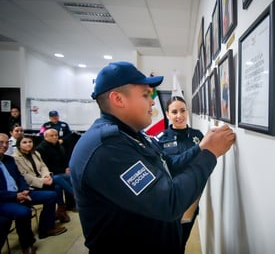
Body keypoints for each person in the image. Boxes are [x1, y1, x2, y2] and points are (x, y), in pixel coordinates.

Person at [69, 61, 235, 253]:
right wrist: (210, 154)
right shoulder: (106, 148)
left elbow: (167, 164)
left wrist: (201, 148)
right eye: (146, 94)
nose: (152, 102)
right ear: (118, 99)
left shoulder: (131, 135)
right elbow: (169, 201)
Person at [0, 133, 67, 254]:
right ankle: (27, 244)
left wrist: (24, 189)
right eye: (1, 143)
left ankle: (46, 229)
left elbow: (20, 177)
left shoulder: (9, 160)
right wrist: (16, 195)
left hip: (23, 191)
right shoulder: (15, 157)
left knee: (52, 194)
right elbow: (26, 175)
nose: (4, 145)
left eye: (6, 143)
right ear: (18, 145)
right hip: (6, 198)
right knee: (24, 212)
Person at [155, 96, 204, 253]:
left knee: (182, 240)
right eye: (174, 112)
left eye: (182, 110)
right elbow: (169, 165)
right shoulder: (160, 140)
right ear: (168, 114)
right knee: (169, 242)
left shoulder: (198, 136)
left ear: (187, 111)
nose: (179, 116)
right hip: (171, 198)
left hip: (192, 198)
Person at [13, 135, 71, 222]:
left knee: (57, 187)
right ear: (19, 145)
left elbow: (43, 166)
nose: (28, 144)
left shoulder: (35, 153)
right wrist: (42, 181)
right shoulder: (15, 158)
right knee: (59, 178)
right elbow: (24, 176)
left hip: (43, 179)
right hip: (31, 185)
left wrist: (46, 176)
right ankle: (75, 195)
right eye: (24, 142)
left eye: (30, 142)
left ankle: (60, 210)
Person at [36, 128, 76, 211]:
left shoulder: (59, 146)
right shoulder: (41, 148)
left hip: (62, 171)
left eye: (56, 135)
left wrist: (67, 168)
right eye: (51, 136)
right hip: (49, 173)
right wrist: (63, 170)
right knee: (67, 178)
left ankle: (67, 205)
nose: (55, 137)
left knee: (63, 181)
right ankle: (75, 196)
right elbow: (45, 166)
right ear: (45, 137)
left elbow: (65, 159)